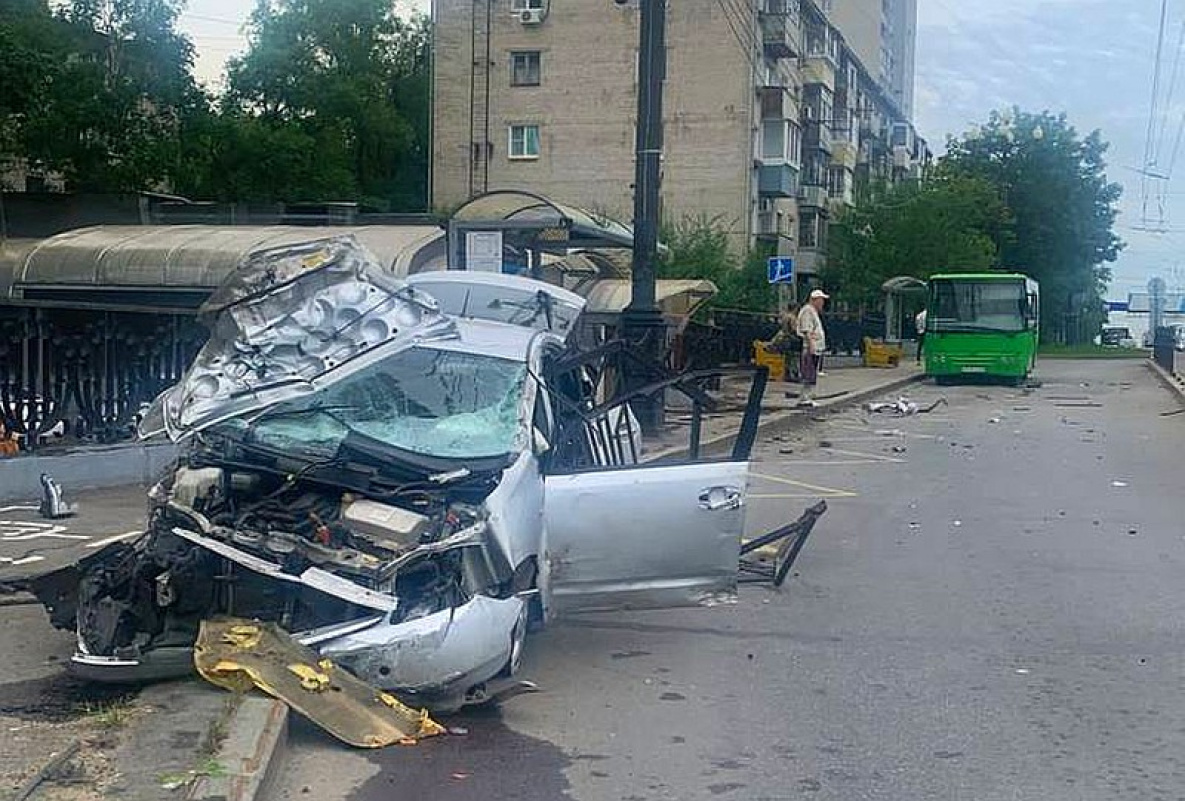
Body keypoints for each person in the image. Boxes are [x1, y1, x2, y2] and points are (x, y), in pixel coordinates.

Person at [796, 289, 829, 406]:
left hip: (815, 347)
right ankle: (805, 398)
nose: (822, 303)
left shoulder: (812, 311)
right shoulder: (807, 311)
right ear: (814, 300)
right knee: (808, 372)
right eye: (821, 300)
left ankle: (808, 396)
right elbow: (806, 330)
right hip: (810, 347)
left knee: (811, 372)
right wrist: (811, 346)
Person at [766, 306, 802, 381]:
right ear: (795, 309)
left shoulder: (784, 316)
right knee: (792, 357)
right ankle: (794, 375)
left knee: (786, 357)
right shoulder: (793, 318)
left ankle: (787, 373)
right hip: (789, 338)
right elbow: (794, 329)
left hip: (782, 337)